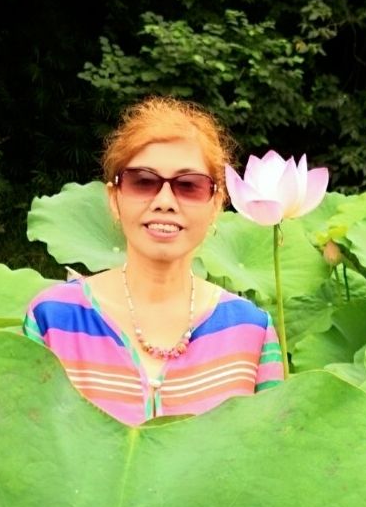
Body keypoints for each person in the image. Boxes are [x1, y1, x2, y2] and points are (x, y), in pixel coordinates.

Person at [23, 96, 284, 425]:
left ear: (216, 204)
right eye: (143, 182)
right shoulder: (52, 319)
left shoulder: (251, 330)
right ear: (114, 199)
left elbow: (271, 449)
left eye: (189, 186)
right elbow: (26, 443)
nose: (164, 201)